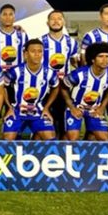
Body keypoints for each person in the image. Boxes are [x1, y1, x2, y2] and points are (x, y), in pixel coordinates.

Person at [2, 39, 59, 141]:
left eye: (40, 51)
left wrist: (46, 107)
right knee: (8, 139)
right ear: (25, 54)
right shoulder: (15, 71)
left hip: (38, 112)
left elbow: (56, 87)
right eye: (33, 51)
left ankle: (35, 141)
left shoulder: (49, 73)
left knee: (50, 139)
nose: (37, 54)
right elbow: (2, 87)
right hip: (17, 111)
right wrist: (9, 107)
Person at [62, 42, 108, 141]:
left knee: (104, 139)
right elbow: (63, 88)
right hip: (76, 107)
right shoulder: (79, 74)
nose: (105, 59)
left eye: (107, 56)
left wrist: (102, 107)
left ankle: (88, 148)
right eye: (101, 56)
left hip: (94, 109)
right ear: (93, 59)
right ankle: (62, 148)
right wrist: (72, 107)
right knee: (73, 138)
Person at [40, 10, 79, 138]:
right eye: (53, 19)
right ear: (47, 22)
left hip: (64, 87)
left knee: (62, 121)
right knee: (46, 120)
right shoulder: (40, 41)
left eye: (59, 19)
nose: (56, 21)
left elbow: (74, 62)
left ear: (63, 22)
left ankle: (62, 146)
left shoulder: (71, 42)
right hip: (46, 88)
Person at [0, 3, 28, 73]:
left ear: (14, 17)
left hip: (17, 76)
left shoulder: (23, 35)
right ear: (0, 17)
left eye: (10, 14)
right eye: (4, 14)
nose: (7, 17)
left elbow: (27, 57)